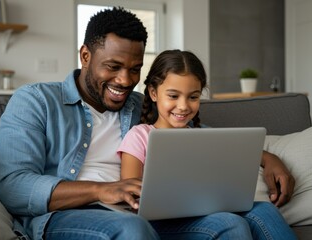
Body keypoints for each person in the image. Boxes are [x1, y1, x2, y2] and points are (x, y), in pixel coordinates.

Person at [0, 7, 295, 240]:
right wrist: (102, 190)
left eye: (135, 69)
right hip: (70, 215)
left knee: (230, 223)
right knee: (130, 230)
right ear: (85, 55)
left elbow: (200, 139)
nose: (125, 81)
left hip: (143, 213)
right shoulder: (35, 101)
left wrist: (267, 158)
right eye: (113, 67)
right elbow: (13, 186)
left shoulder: (141, 104)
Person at [117, 49, 297, 239]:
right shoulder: (139, 136)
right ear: (154, 93)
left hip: (203, 213)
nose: (184, 106)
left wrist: (271, 159)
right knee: (229, 223)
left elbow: (244, 149)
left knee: (264, 210)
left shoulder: (204, 136)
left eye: (193, 97)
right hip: (160, 223)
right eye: (173, 96)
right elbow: (130, 196)